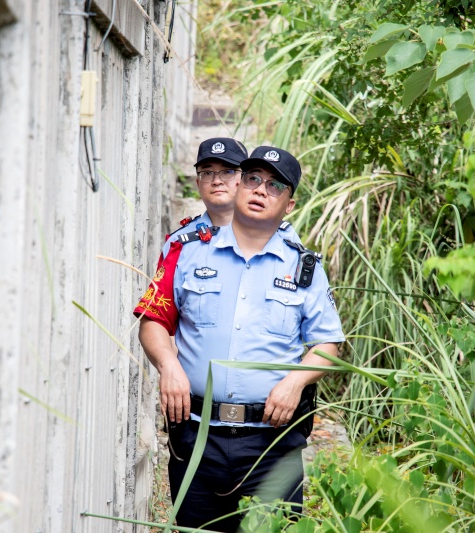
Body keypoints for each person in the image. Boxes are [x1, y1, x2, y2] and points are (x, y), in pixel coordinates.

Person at [134, 146, 345, 531]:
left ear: (289, 204)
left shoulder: (304, 268)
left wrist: (296, 380)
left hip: (271, 444)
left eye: (274, 185)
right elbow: (152, 319)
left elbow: (327, 344)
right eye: (252, 179)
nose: (260, 190)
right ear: (238, 186)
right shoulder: (187, 253)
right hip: (197, 436)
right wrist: (168, 366)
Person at [164, 137, 299, 260]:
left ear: (243, 180)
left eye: (228, 172)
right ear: (198, 183)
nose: (217, 181)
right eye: (207, 173)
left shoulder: (282, 237)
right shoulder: (181, 242)